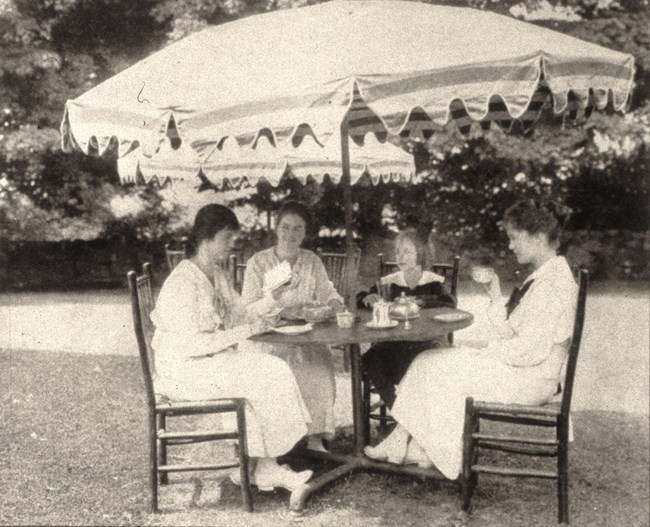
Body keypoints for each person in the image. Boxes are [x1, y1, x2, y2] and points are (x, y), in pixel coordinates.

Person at [364, 200, 577, 479]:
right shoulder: (543, 278)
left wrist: (486, 353)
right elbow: (512, 333)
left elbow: (530, 353)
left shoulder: (553, 285)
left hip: (529, 380)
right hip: (520, 370)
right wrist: (495, 294)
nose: (511, 246)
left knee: (439, 365)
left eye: (515, 237)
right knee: (428, 359)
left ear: (537, 238)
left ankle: (421, 448)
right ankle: (410, 444)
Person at [150, 204, 313, 491]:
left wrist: (273, 297)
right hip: (183, 370)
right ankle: (265, 468)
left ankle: (260, 467)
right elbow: (193, 344)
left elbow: (242, 314)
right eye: (226, 237)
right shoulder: (182, 282)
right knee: (267, 370)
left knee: (268, 366)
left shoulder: (216, 273)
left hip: (207, 361)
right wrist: (246, 332)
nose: (231, 244)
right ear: (206, 237)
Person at [242, 200, 344, 452]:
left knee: (318, 364)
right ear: (277, 229)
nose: (291, 234)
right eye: (286, 227)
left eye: (298, 228)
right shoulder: (258, 262)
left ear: (305, 232)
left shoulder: (311, 261)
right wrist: (280, 307)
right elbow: (248, 309)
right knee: (279, 367)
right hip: (268, 337)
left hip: (305, 336)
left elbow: (329, 292)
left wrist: (332, 303)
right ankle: (277, 440)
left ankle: (314, 436)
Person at [356, 228, 457, 409]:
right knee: (369, 359)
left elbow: (449, 302)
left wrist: (422, 300)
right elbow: (361, 297)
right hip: (394, 345)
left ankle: (416, 411)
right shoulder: (390, 282)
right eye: (398, 251)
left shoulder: (432, 282)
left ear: (421, 254)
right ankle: (396, 407)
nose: (400, 256)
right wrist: (366, 298)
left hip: (426, 343)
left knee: (432, 362)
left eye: (407, 251)